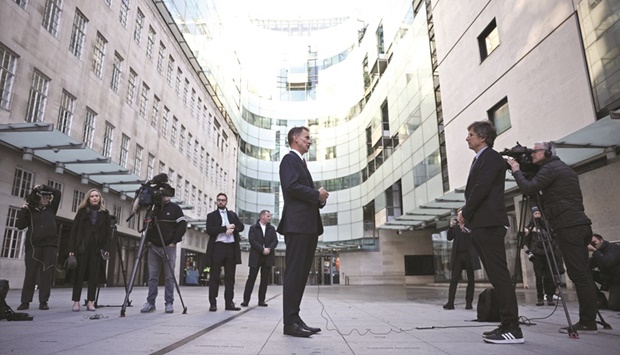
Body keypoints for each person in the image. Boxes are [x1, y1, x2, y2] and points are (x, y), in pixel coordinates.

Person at [508, 141, 598, 334]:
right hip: (577, 224)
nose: (532, 154)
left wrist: (516, 169)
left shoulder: (552, 169)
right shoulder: (558, 168)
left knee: (579, 275)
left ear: (548, 152)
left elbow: (529, 188)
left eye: (536, 151)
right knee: (583, 274)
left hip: (569, 227)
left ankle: (588, 322)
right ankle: (590, 318)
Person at [457, 120, 523, 344]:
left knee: (500, 276)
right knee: (497, 276)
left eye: (471, 134)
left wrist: (465, 212)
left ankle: (512, 328)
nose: (468, 138)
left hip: (489, 225)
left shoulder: (491, 157)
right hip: (482, 224)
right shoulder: (481, 159)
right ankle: (507, 324)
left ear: (482, 138)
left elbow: (481, 188)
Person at [278, 126, 329, 338]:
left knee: (300, 275)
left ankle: (295, 318)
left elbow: (301, 191)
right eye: (307, 138)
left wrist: (319, 199)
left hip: (307, 226)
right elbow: (291, 187)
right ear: (295, 139)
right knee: (294, 274)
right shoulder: (289, 160)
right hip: (297, 226)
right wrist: (316, 194)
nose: (310, 141)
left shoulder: (301, 163)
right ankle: (289, 323)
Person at [16, 184, 61, 311]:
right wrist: (23, 210)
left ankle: (43, 301)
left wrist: (43, 187)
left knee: (46, 274)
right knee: (30, 274)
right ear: (37, 197)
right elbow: (20, 226)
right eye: (43, 196)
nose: (46, 199)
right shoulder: (30, 210)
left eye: (48, 197)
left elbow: (57, 193)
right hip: (33, 246)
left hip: (49, 245)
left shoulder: (52, 209)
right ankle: (25, 301)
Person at [140, 190, 187, 314]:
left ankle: (169, 302)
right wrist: (148, 241)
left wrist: (174, 241)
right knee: (152, 277)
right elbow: (146, 225)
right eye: (162, 194)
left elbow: (182, 225)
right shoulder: (153, 208)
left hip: (169, 246)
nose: (165, 196)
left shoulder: (175, 208)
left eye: (166, 194)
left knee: (169, 277)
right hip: (154, 246)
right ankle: (150, 302)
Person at [68, 189, 111, 312]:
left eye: (97, 196)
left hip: (97, 248)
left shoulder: (105, 213)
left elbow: (108, 233)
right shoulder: (82, 212)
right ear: (88, 198)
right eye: (92, 196)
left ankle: (90, 302)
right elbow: (74, 231)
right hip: (82, 247)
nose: (94, 198)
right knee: (79, 276)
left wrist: (107, 248)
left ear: (100, 198)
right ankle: (76, 302)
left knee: (94, 276)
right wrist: (71, 249)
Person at [205, 193, 244, 311]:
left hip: (231, 247)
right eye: (219, 200)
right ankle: (213, 303)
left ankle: (229, 303)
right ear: (216, 202)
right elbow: (210, 230)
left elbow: (241, 226)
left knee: (230, 277)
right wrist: (224, 228)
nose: (221, 202)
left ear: (226, 202)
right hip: (218, 247)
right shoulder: (211, 215)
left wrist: (233, 228)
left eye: (223, 200)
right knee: (214, 277)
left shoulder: (232, 214)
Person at [523, 206, 563, 306]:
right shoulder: (530, 227)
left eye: (538, 214)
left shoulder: (545, 225)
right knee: (539, 276)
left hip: (548, 253)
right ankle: (540, 297)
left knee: (549, 276)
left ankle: (549, 296)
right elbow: (525, 240)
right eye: (535, 214)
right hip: (537, 255)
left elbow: (552, 234)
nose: (537, 215)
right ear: (532, 215)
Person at [241, 210, 278, 307]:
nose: (269, 218)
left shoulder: (272, 228)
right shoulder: (253, 228)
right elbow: (252, 241)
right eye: (268, 216)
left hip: (268, 256)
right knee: (251, 278)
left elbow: (275, 241)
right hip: (256, 256)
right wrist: (262, 249)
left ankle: (261, 300)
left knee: (264, 280)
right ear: (262, 216)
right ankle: (246, 300)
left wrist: (269, 248)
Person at [443, 216, 480, 310]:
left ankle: (469, 303)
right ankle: (450, 303)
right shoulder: (455, 228)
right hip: (458, 256)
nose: (459, 218)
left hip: (469, 255)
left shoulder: (470, 226)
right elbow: (449, 238)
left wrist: (466, 229)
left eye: (461, 216)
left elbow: (475, 237)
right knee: (454, 279)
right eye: (458, 216)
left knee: (471, 280)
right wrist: (451, 226)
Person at [589, 233, 620, 311]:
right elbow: (588, 266)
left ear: (601, 240)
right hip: (607, 279)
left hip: (617, 280)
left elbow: (608, 262)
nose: (593, 245)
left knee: (614, 306)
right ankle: (600, 299)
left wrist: (595, 251)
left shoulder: (613, 248)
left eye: (594, 242)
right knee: (585, 274)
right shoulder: (597, 252)